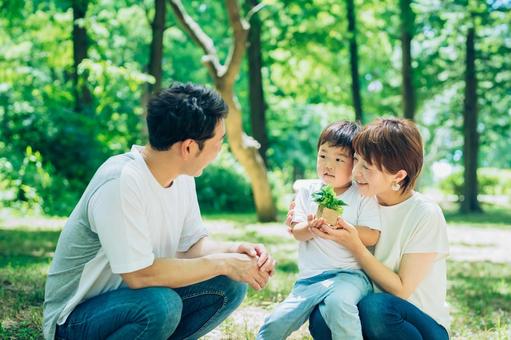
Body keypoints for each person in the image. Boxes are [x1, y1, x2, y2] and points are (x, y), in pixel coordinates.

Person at [43, 83, 276, 340]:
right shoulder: (121, 181)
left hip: (134, 301)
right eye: (218, 141)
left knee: (229, 284)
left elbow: (191, 247)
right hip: (74, 321)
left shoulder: (183, 176)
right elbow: (140, 275)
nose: (221, 148)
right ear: (188, 148)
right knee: (161, 305)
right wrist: (221, 263)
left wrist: (236, 252)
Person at [288, 118, 450, 339]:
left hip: (419, 326)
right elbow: (311, 189)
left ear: (399, 176)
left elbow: (402, 289)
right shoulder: (360, 200)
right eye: (356, 160)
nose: (356, 173)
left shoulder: (425, 214)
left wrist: (356, 246)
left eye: (368, 167)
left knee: (375, 307)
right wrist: (301, 217)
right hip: (366, 318)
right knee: (322, 316)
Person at [257, 121, 381, 340]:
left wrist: (342, 226)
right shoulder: (307, 191)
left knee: (338, 304)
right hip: (310, 279)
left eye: (338, 159)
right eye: (323, 156)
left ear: (355, 163)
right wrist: (311, 227)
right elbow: (296, 231)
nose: (328, 165)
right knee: (277, 321)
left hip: (350, 276)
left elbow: (372, 235)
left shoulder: (361, 194)